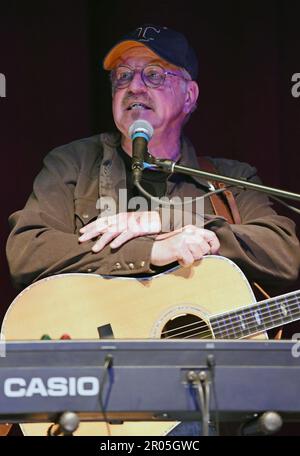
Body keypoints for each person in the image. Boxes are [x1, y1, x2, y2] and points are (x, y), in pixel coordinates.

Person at [5, 24, 300, 435]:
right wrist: (150, 251)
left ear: (190, 95)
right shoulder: (73, 165)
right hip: (88, 394)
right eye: (122, 76)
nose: (134, 87)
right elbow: (28, 250)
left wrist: (172, 220)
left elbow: (285, 252)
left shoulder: (229, 181)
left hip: (199, 406)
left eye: (155, 75)